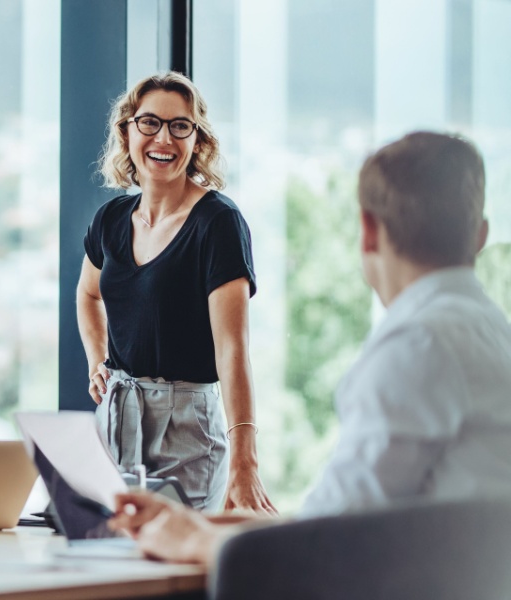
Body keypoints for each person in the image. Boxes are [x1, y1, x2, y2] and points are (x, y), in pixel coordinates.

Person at [108, 131, 511, 565]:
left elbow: (327, 543)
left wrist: (193, 541)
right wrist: (199, 523)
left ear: (369, 232)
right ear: (480, 236)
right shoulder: (490, 332)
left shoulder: (418, 346)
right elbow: (339, 516)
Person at [77, 72, 274, 513]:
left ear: (197, 139)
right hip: (115, 418)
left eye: (179, 125)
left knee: (176, 571)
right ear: (127, 131)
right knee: (109, 562)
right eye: (149, 122)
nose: (163, 138)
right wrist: (96, 360)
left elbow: (233, 349)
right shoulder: (110, 219)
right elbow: (88, 295)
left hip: (186, 426)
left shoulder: (218, 223)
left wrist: (246, 460)